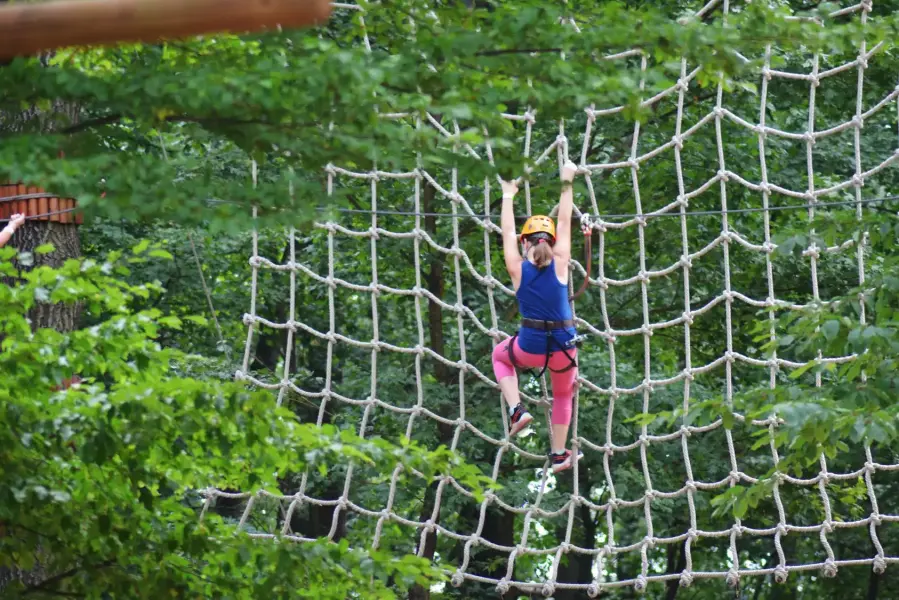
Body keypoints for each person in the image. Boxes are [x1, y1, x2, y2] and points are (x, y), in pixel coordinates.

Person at [492, 160, 586, 474]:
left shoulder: (517, 268)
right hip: (563, 346)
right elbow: (564, 219)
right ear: (552, 242)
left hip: (529, 345)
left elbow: (505, 230)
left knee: (499, 355)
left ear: (524, 242)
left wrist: (508, 195)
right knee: (562, 393)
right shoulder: (561, 259)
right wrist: (566, 179)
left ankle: (517, 409)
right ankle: (559, 454)